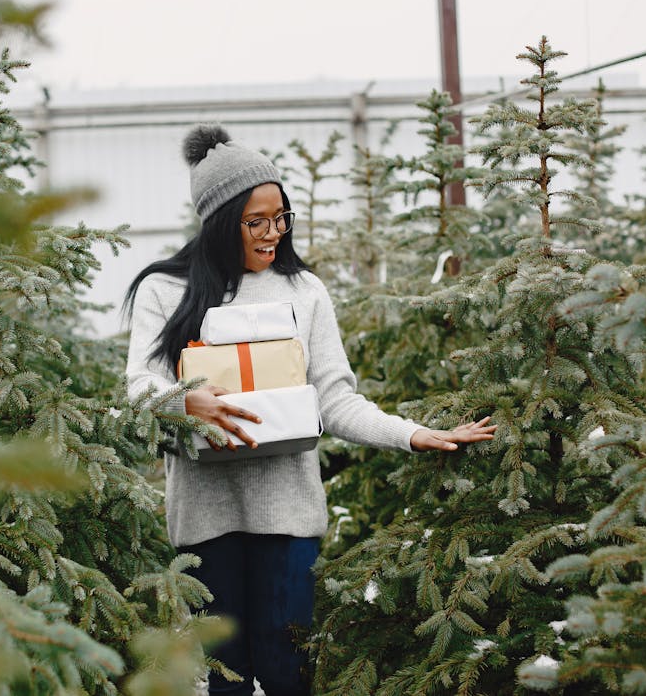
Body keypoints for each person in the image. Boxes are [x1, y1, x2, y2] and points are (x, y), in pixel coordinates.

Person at [123, 124, 496, 696]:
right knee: (225, 678)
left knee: (285, 671)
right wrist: (181, 399)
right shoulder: (164, 291)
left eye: (281, 218)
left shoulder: (304, 290)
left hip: (289, 517)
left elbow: (334, 396)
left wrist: (414, 434)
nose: (273, 233)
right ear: (221, 221)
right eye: (257, 222)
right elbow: (136, 387)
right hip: (205, 519)